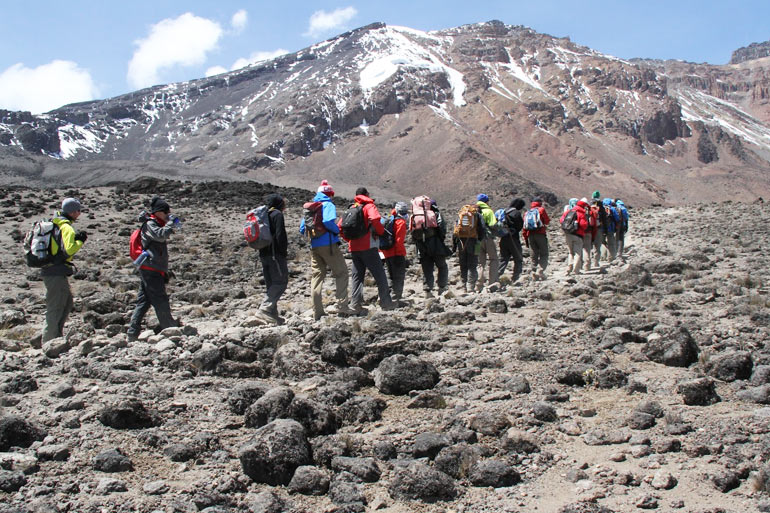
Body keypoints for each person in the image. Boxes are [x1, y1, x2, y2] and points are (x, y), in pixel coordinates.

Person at [127, 197, 181, 340]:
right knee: (160, 299)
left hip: (152, 267)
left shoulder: (155, 223)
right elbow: (160, 236)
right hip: (151, 268)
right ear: (159, 212)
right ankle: (169, 328)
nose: (168, 214)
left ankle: (132, 332)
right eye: (166, 211)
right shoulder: (150, 224)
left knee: (144, 301)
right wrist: (170, 223)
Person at [299, 180, 354, 321]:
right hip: (328, 245)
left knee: (317, 276)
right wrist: (337, 231)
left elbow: (301, 229)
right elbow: (328, 221)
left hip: (314, 245)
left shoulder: (310, 208)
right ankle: (342, 306)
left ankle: (317, 311)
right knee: (341, 273)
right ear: (329, 194)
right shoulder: (328, 205)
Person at [341, 187, 395, 313]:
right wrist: (381, 232)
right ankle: (386, 303)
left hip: (354, 248)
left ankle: (355, 304)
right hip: (368, 247)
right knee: (380, 275)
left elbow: (340, 227)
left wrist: (349, 240)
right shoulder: (369, 206)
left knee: (357, 276)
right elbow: (375, 219)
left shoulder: (351, 208)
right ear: (367, 194)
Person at [41, 198, 87, 342]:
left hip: (54, 269)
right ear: (73, 212)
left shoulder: (56, 223)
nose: (79, 214)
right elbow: (69, 250)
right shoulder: (65, 226)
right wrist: (80, 240)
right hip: (55, 270)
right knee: (57, 305)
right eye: (78, 210)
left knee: (66, 302)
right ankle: (49, 341)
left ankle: (56, 337)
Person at [255, 194, 289, 324]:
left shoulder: (264, 216)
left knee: (271, 284)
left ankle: (272, 314)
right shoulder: (277, 215)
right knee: (281, 281)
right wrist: (283, 252)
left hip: (263, 253)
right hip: (275, 255)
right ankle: (264, 309)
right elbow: (280, 235)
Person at [414, 199, 451, 297]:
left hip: (422, 245)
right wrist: (440, 239)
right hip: (436, 244)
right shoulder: (435, 214)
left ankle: (427, 291)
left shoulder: (416, 216)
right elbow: (442, 229)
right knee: (442, 266)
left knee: (427, 268)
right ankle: (442, 288)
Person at [380, 202, 409, 305]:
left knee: (390, 275)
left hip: (386, 252)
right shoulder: (400, 223)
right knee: (399, 276)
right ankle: (396, 298)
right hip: (396, 253)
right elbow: (399, 241)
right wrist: (402, 254)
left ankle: (387, 296)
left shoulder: (388, 219)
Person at [452, 204, 485, 293]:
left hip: (460, 242)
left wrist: (454, 247)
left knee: (463, 264)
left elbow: (455, 231)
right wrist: (479, 239)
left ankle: (463, 286)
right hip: (473, 241)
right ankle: (470, 287)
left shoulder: (461, 214)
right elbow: (482, 229)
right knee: (472, 264)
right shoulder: (477, 215)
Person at [475, 194, 500, 291]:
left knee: (480, 263)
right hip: (487, 238)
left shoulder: (474, 211)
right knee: (493, 259)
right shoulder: (488, 211)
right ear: (486, 201)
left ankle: (478, 285)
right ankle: (492, 282)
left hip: (476, 241)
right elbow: (493, 224)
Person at [522, 197, 550, 280]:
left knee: (533, 254)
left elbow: (524, 228)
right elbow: (547, 221)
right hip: (540, 234)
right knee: (544, 253)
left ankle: (534, 271)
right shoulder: (541, 210)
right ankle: (540, 270)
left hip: (530, 235)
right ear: (540, 203)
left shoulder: (527, 212)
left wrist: (526, 238)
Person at [498, 198, 525, 283]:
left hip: (503, 238)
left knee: (503, 258)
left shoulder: (504, 211)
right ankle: (516, 278)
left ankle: (496, 276)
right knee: (518, 258)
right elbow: (520, 226)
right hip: (513, 238)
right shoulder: (516, 213)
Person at [560, 198, 590, 275]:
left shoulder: (568, 211)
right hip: (577, 235)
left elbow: (561, 220)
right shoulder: (581, 213)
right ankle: (576, 270)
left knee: (570, 252)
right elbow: (584, 225)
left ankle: (569, 268)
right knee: (577, 253)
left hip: (568, 234)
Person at [589, 193, 606, 268]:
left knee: (587, 246)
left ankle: (587, 263)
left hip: (589, 229)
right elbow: (604, 218)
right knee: (597, 246)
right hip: (598, 228)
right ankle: (596, 262)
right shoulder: (601, 206)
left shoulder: (588, 205)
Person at [601, 198, 621, 262]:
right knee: (611, 243)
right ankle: (611, 257)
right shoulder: (612, 209)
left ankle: (603, 257)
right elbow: (617, 218)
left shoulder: (600, 209)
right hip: (610, 228)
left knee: (603, 243)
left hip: (602, 229)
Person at [581, 197, 596, 272]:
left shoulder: (576, 210)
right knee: (587, 249)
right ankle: (586, 266)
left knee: (579, 249)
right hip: (588, 232)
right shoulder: (590, 211)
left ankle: (578, 266)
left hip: (579, 232)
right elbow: (593, 223)